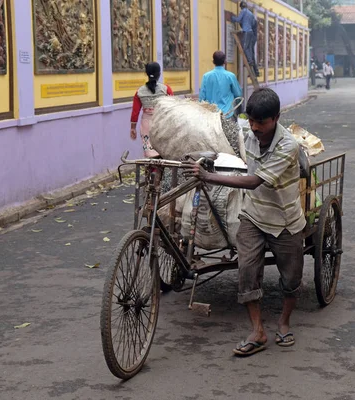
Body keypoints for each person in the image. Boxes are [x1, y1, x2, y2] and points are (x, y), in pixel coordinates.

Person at [186, 88, 306, 357]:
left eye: (261, 123)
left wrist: (209, 177)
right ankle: (258, 331)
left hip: (285, 220)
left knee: (291, 278)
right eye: (251, 121)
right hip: (253, 216)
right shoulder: (248, 135)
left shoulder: (289, 145)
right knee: (247, 271)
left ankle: (284, 322)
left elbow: (254, 181)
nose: (254, 127)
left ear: (276, 118)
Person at [130, 62, 174, 158]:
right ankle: (162, 168)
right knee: (163, 150)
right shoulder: (166, 89)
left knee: (150, 152)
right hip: (163, 123)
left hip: (147, 125)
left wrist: (133, 128)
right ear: (159, 74)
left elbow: (135, 112)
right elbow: (173, 108)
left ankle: (153, 170)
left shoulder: (139, 92)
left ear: (146, 74)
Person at [199, 51, 242, 119]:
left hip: (211, 116)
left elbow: (201, 98)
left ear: (213, 62)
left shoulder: (206, 77)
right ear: (225, 62)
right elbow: (238, 94)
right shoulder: (230, 76)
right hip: (227, 114)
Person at [231, 1, 259, 77]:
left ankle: (250, 61)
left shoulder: (243, 11)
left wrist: (232, 18)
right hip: (251, 33)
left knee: (245, 47)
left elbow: (238, 19)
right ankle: (255, 71)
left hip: (247, 32)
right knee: (250, 51)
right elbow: (252, 24)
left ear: (241, 7)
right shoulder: (251, 14)